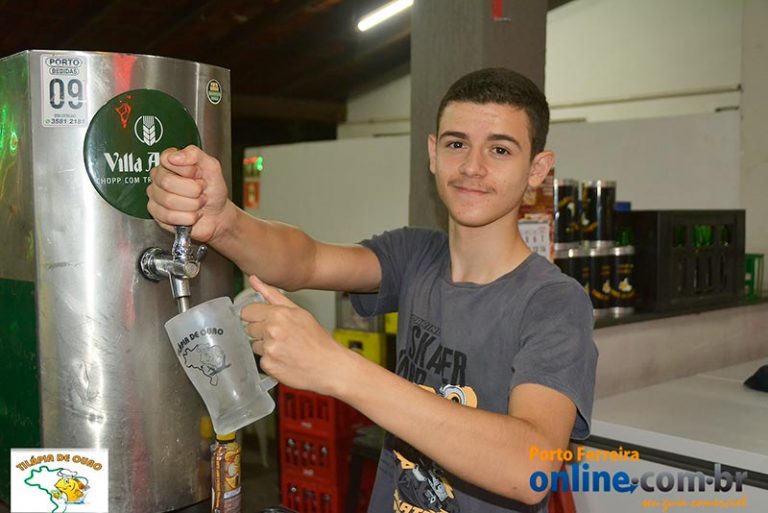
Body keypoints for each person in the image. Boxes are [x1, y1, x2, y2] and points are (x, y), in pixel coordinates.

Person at [147, 67, 597, 513]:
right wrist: (224, 222)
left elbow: (529, 467)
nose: (472, 167)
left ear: (537, 169)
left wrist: (336, 367)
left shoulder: (554, 302)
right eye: (456, 144)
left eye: (499, 149)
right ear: (433, 153)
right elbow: (306, 260)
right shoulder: (417, 255)